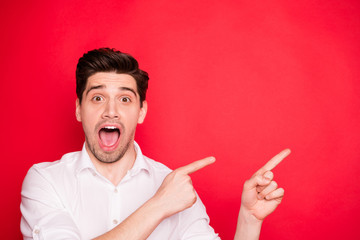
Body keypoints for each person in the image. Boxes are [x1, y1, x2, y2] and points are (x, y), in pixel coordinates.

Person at [20, 48, 290, 240]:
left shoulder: (174, 186)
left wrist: (248, 219)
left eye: (125, 99)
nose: (111, 111)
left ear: (141, 111)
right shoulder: (46, 180)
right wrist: (159, 206)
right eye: (98, 98)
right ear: (79, 110)